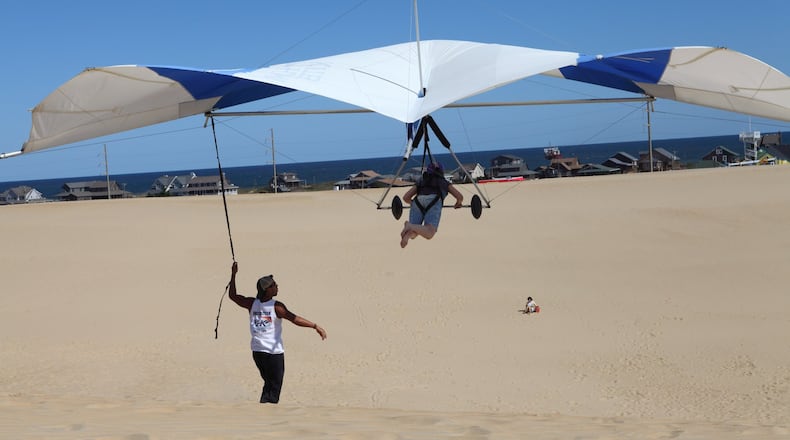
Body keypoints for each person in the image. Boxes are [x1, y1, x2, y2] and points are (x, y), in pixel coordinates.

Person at [228, 262, 326, 404]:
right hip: (273, 354)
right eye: (274, 285)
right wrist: (315, 326)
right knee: (274, 387)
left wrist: (233, 275)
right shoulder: (276, 307)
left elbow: (233, 296)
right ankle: (268, 413)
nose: (277, 286)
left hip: (257, 352)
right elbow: (294, 319)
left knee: (269, 384)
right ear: (267, 289)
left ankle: (264, 409)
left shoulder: (251, 303)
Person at [400, 161, 464, 248]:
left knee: (415, 232)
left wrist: (413, 204)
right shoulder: (443, 182)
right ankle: (410, 226)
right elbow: (460, 196)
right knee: (429, 232)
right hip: (434, 200)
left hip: (417, 201)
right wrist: (458, 203)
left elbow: (406, 198)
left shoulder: (421, 181)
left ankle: (407, 235)